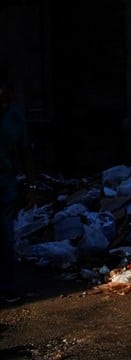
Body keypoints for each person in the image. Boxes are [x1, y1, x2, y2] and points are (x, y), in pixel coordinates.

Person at [0, 71, 35, 303]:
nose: (4, 102)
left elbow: (25, 153)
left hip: (5, 185)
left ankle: (7, 288)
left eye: (7, 98)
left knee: (5, 237)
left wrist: (31, 185)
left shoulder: (14, 118)